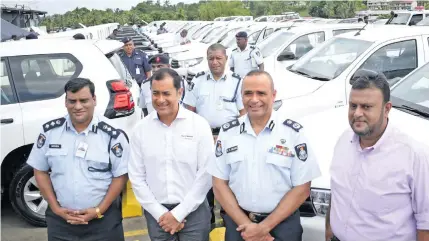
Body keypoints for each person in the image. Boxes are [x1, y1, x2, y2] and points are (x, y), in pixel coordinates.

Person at [209, 70, 321, 241]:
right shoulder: (228, 132)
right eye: (248, 93)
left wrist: (263, 228)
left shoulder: (293, 133)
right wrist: (248, 226)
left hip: (282, 226)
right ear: (241, 95)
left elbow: (302, 188)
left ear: (273, 95)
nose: (254, 99)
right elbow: (219, 184)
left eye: (261, 93)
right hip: (239, 225)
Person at [325, 70, 429, 241]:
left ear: (387, 109)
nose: (357, 113)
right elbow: (337, 194)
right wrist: (329, 231)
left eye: (366, 107)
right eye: (353, 106)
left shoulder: (415, 157)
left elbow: (426, 225)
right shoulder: (344, 140)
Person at [26, 78, 129, 241]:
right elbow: (39, 170)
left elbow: (120, 176)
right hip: (61, 222)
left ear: (94, 100)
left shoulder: (112, 135)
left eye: (84, 100)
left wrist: (99, 210)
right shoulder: (50, 132)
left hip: (103, 222)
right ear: (65, 102)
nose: (78, 106)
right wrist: (56, 208)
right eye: (72, 101)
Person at [128, 68, 213, 241]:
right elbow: (136, 177)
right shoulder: (140, 130)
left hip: (194, 213)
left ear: (180, 92)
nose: (160, 100)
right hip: (157, 215)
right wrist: (161, 214)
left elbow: (206, 174)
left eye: (166, 93)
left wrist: (179, 214)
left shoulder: (199, 125)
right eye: (155, 93)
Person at [183, 43, 247, 225]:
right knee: (205, 180)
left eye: (219, 58)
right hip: (203, 139)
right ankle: (207, 221)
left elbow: (243, 115)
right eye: (211, 58)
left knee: (230, 181)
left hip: (230, 139)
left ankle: (231, 220)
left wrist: (225, 137)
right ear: (207, 59)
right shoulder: (197, 81)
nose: (215, 62)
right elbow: (189, 112)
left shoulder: (237, 82)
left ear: (226, 59)